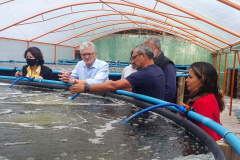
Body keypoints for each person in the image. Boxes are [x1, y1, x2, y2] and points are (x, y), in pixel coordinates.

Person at [69, 43, 165, 100]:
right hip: (154, 112)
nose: (133, 61)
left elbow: (112, 85)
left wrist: (85, 88)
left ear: (143, 56)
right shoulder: (158, 70)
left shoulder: (143, 74)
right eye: (83, 54)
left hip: (145, 115)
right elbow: (136, 89)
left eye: (134, 58)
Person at [185, 62, 225, 141]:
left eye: (190, 77)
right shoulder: (211, 96)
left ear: (202, 80)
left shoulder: (202, 103)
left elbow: (208, 137)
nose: (186, 80)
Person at [145, 37, 176, 103]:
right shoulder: (149, 63)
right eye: (146, 49)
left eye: (150, 49)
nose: (147, 52)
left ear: (158, 48)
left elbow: (170, 90)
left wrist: (161, 106)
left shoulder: (167, 64)